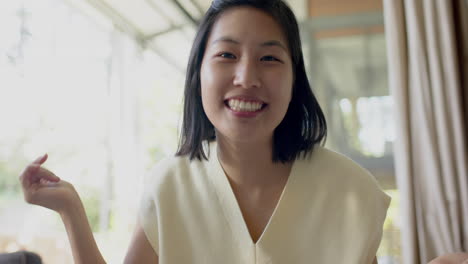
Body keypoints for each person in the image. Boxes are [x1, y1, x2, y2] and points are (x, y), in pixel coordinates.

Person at [19, 0, 390, 263]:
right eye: (227, 55)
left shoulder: (349, 190)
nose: (246, 78)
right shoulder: (169, 185)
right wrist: (71, 211)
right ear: (198, 75)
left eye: (270, 58)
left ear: (296, 81)